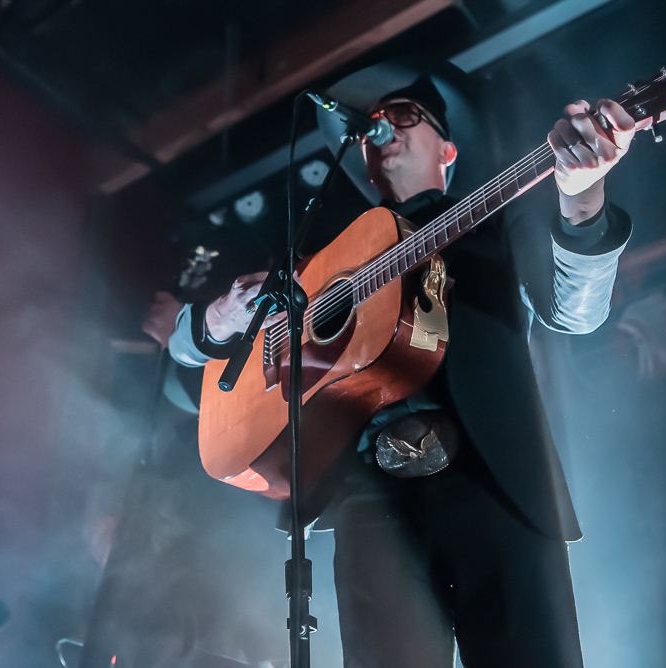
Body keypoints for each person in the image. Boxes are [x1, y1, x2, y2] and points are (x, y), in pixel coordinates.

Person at [169, 60, 636, 666]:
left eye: (401, 116)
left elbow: (576, 313)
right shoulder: (317, 262)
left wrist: (583, 198)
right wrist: (217, 320)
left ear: (447, 148)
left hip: (494, 482)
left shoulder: (495, 216)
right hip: (369, 503)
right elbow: (187, 364)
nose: (378, 131)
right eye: (365, 128)